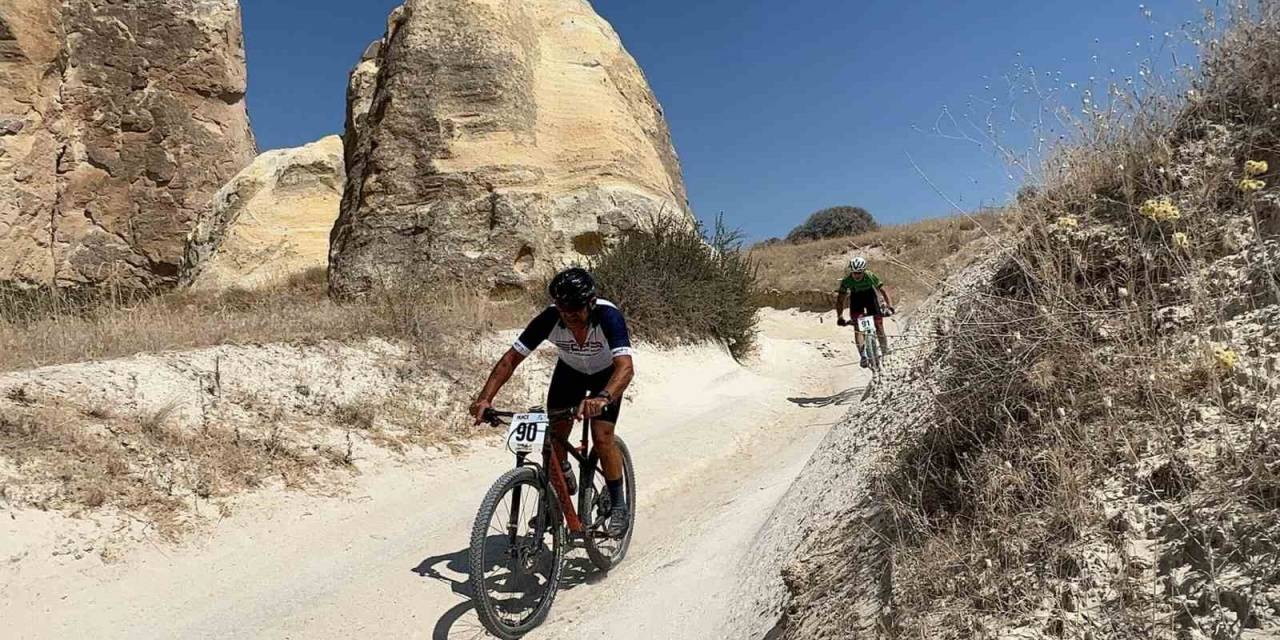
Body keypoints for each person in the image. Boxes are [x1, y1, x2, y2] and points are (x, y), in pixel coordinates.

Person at [470, 267, 635, 537]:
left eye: (575, 310)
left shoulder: (608, 316)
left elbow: (625, 367)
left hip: (606, 375)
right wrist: (485, 399)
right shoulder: (550, 318)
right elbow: (511, 359)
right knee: (553, 441)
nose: (569, 317)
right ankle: (558, 496)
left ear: (590, 303)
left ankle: (618, 505)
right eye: (563, 310)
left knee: (602, 436)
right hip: (570, 373)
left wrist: (603, 397)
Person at [836, 256, 895, 368]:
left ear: (863, 271)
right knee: (858, 328)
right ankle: (863, 356)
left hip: (870, 298)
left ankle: (885, 351)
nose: (856, 275)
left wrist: (889, 306)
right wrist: (840, 316)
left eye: (859, 272)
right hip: (856, 300)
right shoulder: (847, 281)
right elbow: (840, 299)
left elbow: (883, 290)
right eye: (854, 272)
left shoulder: (870, 276)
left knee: (878, 325)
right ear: (851, 271)